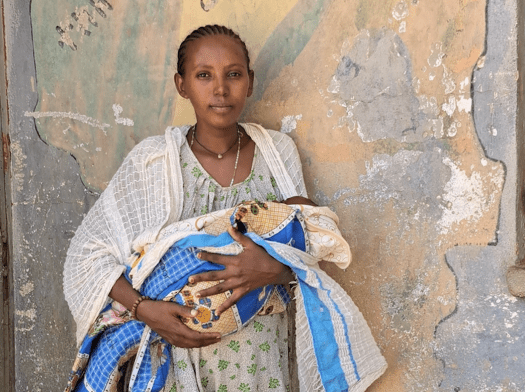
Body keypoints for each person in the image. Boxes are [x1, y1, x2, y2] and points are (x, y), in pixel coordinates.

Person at [65, 25, 314, 391]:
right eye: (203, 75)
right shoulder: (153, 162)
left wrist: (272, 268)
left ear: (250, 80)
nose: (220, 89)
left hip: (257, 359)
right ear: (182, 85)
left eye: (233, 74)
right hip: (171, 356)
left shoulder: (278, 153)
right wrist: (143, 309)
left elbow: (310, 245)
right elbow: (86, 258)